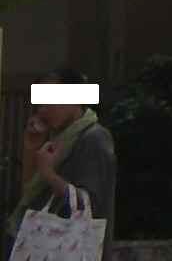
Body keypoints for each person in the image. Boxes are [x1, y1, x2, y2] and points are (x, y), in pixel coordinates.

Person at [13, 69, 116, 240]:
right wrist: (31, 149)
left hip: (74, 244)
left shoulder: (94, 138)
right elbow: (30, 191)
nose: (44, 110)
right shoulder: (57, 138)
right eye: (40, 103)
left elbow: (90, 204)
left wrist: (49, 174)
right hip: (46, 241)